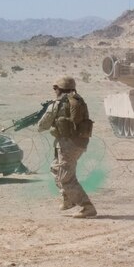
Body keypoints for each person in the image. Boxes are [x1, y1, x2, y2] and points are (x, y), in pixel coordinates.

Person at [37, 76, 96, 218]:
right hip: (78, 142)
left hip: (68, 144)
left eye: (55, 88)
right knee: (56, 168)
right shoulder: (78, 100)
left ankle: (87, 207)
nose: (54, 91)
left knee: (65, 177)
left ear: (59, 89)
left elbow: (42, 126)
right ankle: (68, 199)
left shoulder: (57, 104)